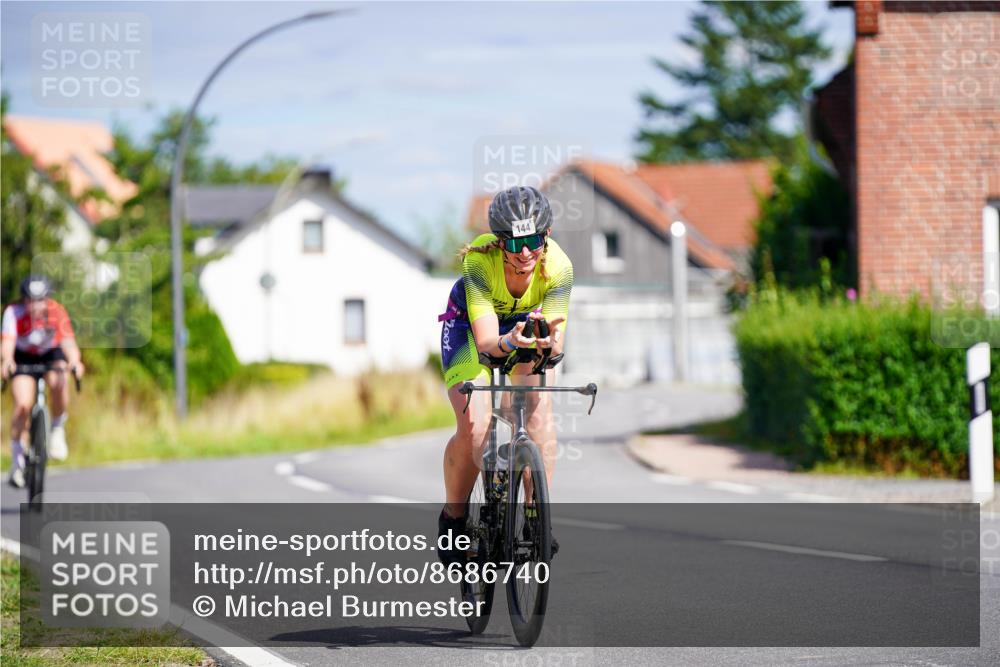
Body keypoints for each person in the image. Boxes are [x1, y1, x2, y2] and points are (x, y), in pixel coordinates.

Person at [436, 185, 573, 564]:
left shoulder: (560, 268)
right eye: (514, 243)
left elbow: (558, 345)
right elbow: (486, 344)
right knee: (475, 428)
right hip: (471, 330)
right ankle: (455, 519)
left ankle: (534, 516)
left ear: (545, 235)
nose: (525, 252)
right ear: (498, 243)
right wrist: (509, 341)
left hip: (523, 329)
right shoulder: (479, 263)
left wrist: (547, 343)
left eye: (532, 240)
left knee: (538, 410)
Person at [1, 275, 84, 487]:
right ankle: (17, 460)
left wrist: (75, 362)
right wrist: (7, 361)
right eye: (30, 300)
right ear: (23, 300)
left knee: (59, 379)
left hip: (50, 354)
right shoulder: (13, 313)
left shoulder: (57, 312)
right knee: (22, 403)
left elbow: (68, 344)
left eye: (40, 300)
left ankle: (57, 428)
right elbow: (8, 345)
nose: (35, 305)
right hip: (23, 356)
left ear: (47, 299)